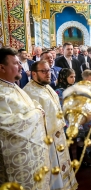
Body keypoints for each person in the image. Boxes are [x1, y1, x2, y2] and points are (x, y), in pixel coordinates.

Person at [0, 47, 51, 189]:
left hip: (32, 156)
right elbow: (5, 125)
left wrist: (35, 109)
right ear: (2, 67)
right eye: (16, 63)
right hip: (16, 163)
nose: (21, 66)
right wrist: (36, 113)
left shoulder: (12, 86)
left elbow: (28, 104)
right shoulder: (1, 92)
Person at [23, 61, 78, 189]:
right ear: (34, 73)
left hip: (58, 134)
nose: (48, 74)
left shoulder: (46, 87)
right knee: (53, 169)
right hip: (46, 140)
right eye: (44, 71)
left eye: (49, 70)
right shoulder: (30, 92)